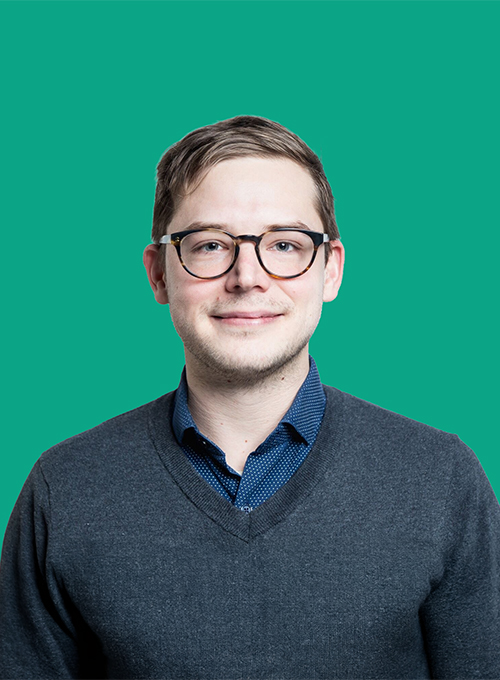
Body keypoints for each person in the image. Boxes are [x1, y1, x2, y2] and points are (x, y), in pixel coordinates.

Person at [0, 115, 499, 679]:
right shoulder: (65, 489)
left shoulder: (441, 478)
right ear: (159, 274)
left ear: (331, 271)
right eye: (210, 245)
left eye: (284, 245)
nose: (247, 276)